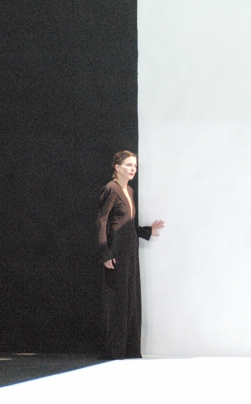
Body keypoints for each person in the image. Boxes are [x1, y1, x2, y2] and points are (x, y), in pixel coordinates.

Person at [96, 150, 164, 359]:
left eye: (134, 165)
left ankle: (129, 349)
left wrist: (147, 231)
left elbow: (127, 224)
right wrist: (105, 252)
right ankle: (114, 351)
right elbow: (102, 221)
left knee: (130, 299)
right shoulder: (111, 189)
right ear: (117, 167)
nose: (133, 169)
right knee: (117, 300)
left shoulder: (130, 191)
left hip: (130, 252)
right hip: (116, 252)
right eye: (128, 165)